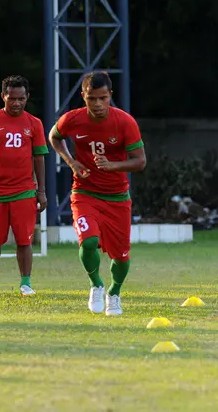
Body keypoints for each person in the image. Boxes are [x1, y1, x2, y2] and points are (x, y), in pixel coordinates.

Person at [49, 72, 146, 316]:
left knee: (121, 256)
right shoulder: (73, 119)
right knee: (89, 241)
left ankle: (114, 292)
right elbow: (54, 136)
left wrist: (113, 166)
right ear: (83, 96)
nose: (98, 104)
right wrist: (71, 162)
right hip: (84, 193)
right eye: (92, 98)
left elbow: (140, 161)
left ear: (110, 96)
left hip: (117, 197)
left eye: (103, 98)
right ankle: (96, 285)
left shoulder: (125, 122)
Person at [0, 76, 48, 298]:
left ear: (27, 97)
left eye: (21, 98)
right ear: (3, 97)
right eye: (12, 98)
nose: (16, 103)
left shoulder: (34, 123)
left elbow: (39, 158)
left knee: (24, 239)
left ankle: (25, 283)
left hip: (24, 191)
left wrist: (42, 190)